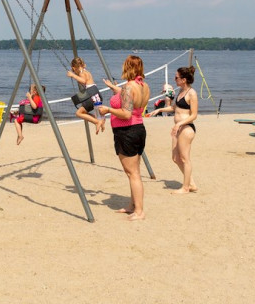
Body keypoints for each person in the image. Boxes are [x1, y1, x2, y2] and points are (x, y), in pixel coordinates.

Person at [98, 55, 150, 221]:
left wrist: (108, 110)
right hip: (138, 129)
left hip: (127, 132)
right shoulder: (143, 86)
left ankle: (140, 211)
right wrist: (114, 88)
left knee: (133, 173)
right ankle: (132, 205)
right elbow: (133, 102)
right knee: (134, 172)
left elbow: (126, 113)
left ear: (128, 67)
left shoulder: (129, 87)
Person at [155, 67, 199, 193]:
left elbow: (194, 115)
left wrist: (179, 124)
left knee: (185, 158)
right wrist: (160, 109)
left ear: (184, 80)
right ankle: (191, 183)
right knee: (175, 158)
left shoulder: (192, 93)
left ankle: (185, 187)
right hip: (178, 128)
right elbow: (175, 108)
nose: (175, 80)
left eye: (176, 78)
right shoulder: (180, 91)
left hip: (186, 128)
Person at [67, 57, 105, 133]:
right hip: (96, 94)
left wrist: (73, 75)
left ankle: (97, 121)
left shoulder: (81, 73)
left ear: (74, 68)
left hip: (92, 95)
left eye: (73, 70)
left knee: (79, 113)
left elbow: (83, 81)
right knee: (83, 112)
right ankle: (98, 120)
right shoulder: (86, 72)